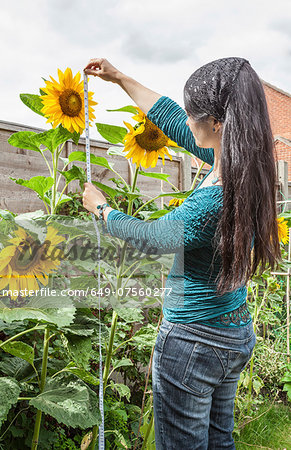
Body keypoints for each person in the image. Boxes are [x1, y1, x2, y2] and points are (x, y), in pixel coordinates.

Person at [82, 57, 281, 449]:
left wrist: (103, 209)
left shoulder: (213, 200)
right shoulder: (249, 166)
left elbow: (154, 237)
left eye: (195, 114)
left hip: (194, 342)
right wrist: (120, 78)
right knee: (218, 441)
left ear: (218, 122)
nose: (187, 120)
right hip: (233, 331)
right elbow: (171, 118)